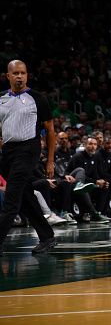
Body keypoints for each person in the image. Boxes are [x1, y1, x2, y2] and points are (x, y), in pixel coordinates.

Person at [0, 60, 57, 255]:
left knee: (12, 198)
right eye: (15, 73)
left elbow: (50, 131)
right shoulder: (1, 99)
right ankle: (47, 237)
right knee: (24, 198)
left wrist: (50, 160)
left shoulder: (37, 98)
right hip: (7, 152)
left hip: (28, 149)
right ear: (7, 76)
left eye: (23, 73)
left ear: (27, 75)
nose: (19, 76)